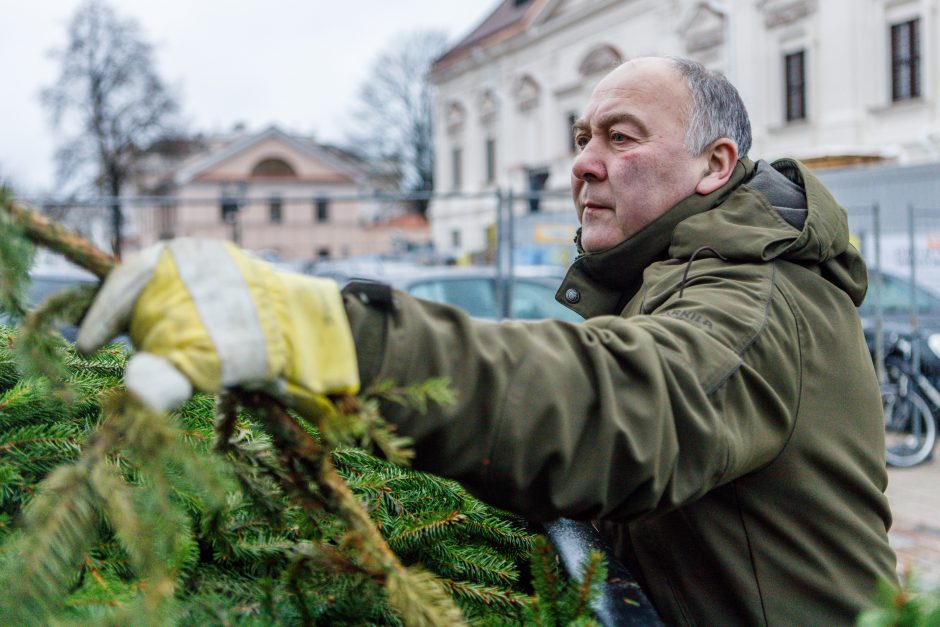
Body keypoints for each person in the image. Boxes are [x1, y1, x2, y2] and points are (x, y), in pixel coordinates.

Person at [77, 56, 897, 624]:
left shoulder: (754, 293)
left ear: (714, 166)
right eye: (581, 136)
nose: (583, 162)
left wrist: (330, 332)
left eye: (620, 136)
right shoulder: (678, 273)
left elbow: (622, 409)